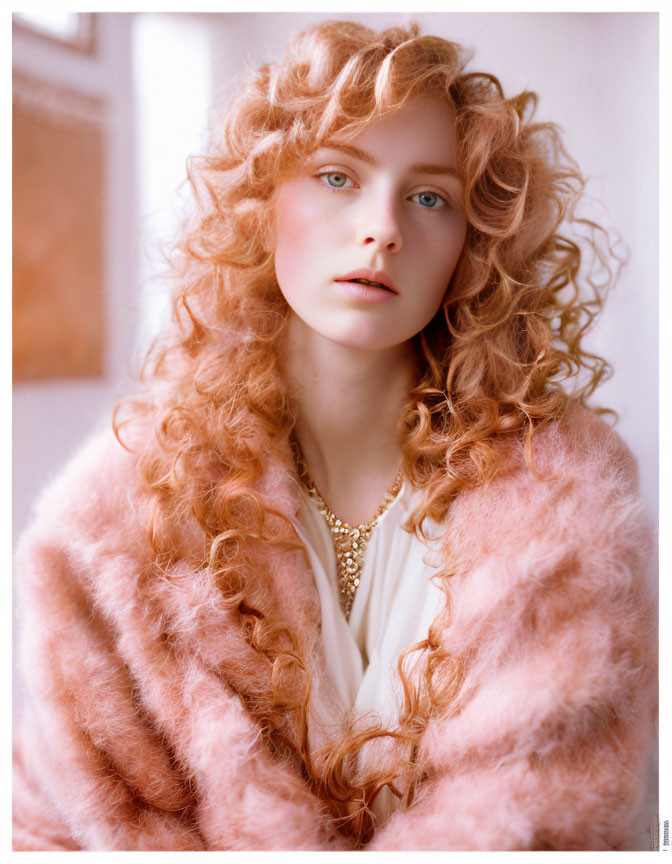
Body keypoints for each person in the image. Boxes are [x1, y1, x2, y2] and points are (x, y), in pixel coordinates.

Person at [12, 19, 656, 851]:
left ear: (474, 244)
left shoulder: (567, 508)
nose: (383, 226)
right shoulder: (111, 524)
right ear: (262, 202)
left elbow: (574, 812)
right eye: (337, 176)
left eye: (431, 197)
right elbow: (51, 825)